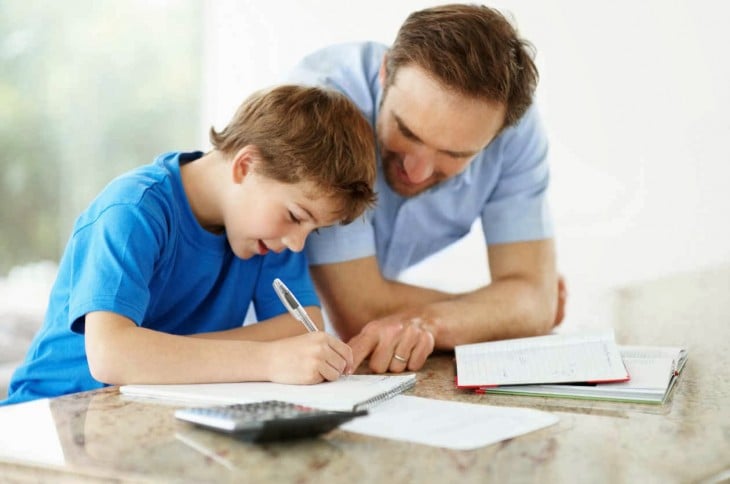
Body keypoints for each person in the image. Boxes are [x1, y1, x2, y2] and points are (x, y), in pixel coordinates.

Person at [2, 85, 377, 405]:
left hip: (154, 411)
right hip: (52, 415)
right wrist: (266, 359)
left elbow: (301, 329)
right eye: (297, 216)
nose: (297, 243)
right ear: (246, 166)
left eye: (312, 230)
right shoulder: (133, 211)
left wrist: (160, 353)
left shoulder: (268, 237)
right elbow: (111, 356)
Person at [285, 4, 567, 373]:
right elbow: (360, 313)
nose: (416, 173)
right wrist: (506, 310)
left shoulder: (515, 130)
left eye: (453, 154)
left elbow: (535, 302)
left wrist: (431, 323)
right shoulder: (322, 108)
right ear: (386, 72)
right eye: (407, 131)